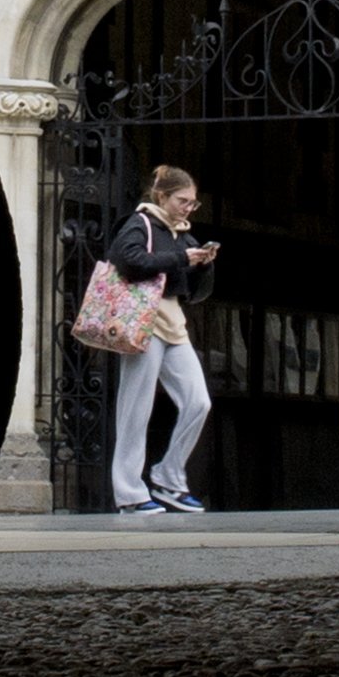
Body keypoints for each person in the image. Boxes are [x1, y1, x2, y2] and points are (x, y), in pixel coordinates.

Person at [108, 165, 221, 514]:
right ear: (162, 196)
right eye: (182, 200)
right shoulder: (139, 224)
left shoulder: (182, 234)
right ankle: (129, 493)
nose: (188, 208)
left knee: (198, 401)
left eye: (193, 203)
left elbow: (195, 292)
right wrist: (180, 258)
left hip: (173, 323)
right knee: (135, 408)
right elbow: (127, 260)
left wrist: (202, 265)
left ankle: (169, 477)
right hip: (144, 321)